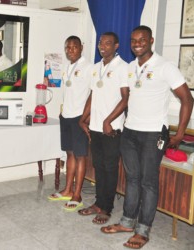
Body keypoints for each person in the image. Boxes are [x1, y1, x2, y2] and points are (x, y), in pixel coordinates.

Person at [101, 26, 193, 249]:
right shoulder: (130, 68)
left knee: (148, 182)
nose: (137, 43)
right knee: (132, 180)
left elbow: (187, 99)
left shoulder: (165, 67)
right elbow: (127, 99)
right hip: (130, 131)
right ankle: (127, 222)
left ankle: (143, 230)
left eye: (142, 39)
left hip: (153, 134)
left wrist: (180, 132)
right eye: (133, 40)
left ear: (150, 40)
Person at [78, 32, 128, 224]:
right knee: (98, 166)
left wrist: (108, 121)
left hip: (112, 128)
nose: (103, 46)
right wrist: (83, 118)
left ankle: (106, 208)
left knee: (109, 167)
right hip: (95, 126)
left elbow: (125, 99)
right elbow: (93, 95)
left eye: (108, 43)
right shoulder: (96, 68)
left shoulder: (123, 67)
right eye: (101, 42)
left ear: (116, 46)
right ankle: (99, 203)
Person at [48, 36, 92, 212]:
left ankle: (77, 194)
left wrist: (85, 117)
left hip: (79, 118)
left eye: (74, 47)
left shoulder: (89, 67)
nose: (70, 50)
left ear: (81, 47)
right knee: (70, 154)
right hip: (66, 116)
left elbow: (93, 93)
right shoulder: (67, 67)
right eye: (67, 47)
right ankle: (67, 190)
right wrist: (62, 111)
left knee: (81, 156)